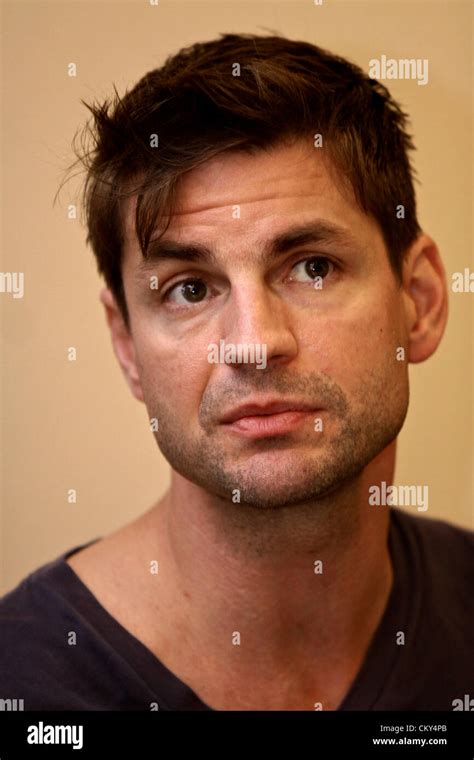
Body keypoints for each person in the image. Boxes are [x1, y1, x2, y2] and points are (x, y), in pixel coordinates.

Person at [0, 33, 472, 712]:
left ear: (419, 302)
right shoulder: (22, 685)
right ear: (127, 346)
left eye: (313, 267)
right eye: (190, 289)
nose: (255, 344)